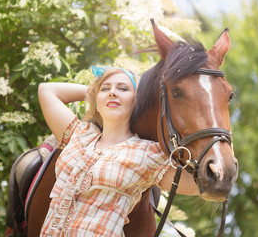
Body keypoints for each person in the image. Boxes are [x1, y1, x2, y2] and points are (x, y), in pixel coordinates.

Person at [38, 66, 199, 236]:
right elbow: (46, 90)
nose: (112, 92)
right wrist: (94, 92)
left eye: (123, 89)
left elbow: (201, 186)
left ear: (138, 101)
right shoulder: (80, 135)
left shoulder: (148, 153)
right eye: (105, 88)